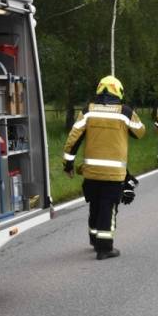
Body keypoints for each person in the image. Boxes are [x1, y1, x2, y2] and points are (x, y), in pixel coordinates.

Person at [63, 75, 145, 260]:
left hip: (91, 172)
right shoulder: (124, 112)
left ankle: (94, 239)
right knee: (109, 208)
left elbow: (73, 139)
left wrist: (68, 164)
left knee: (95, 205)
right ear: (119, 92)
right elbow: (140, 132)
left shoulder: (88, 111)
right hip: (114, 174)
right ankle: (105, 248)